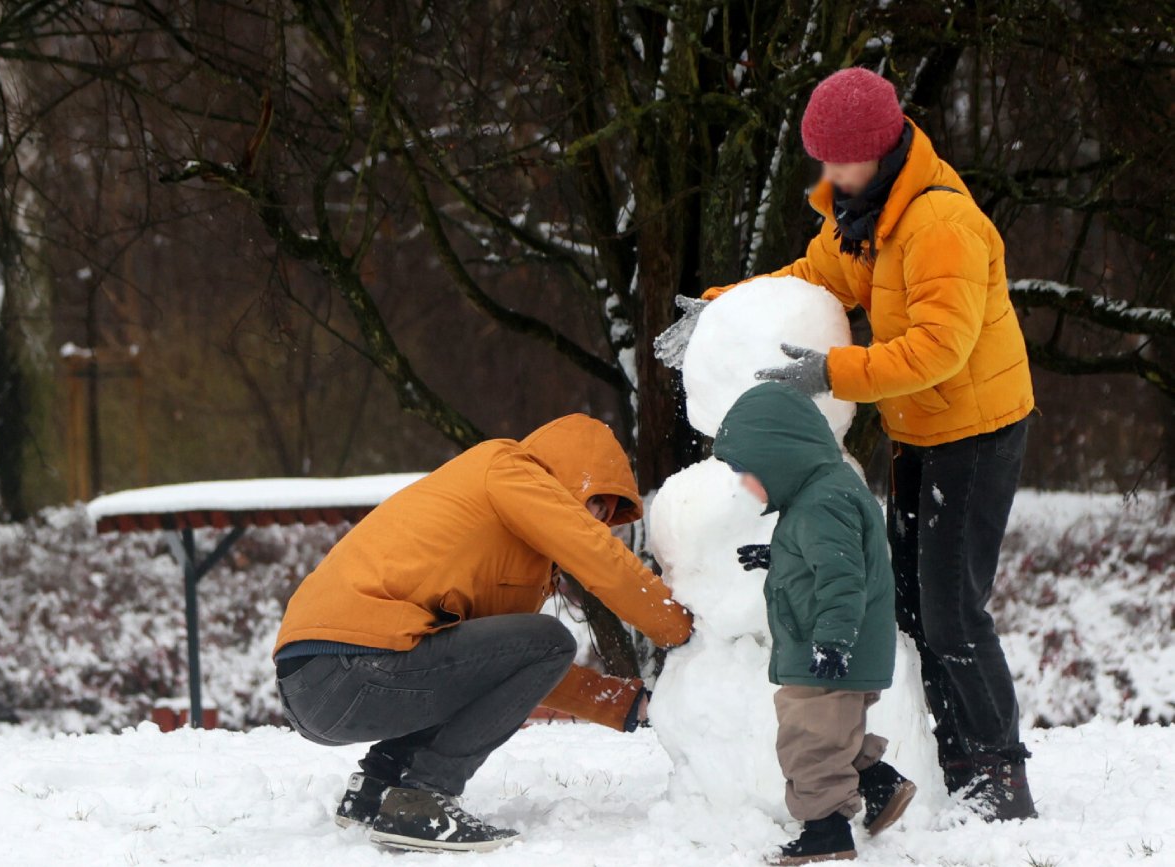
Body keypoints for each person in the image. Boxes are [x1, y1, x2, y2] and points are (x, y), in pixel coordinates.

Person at [704, 67, 1037, 820]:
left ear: (879, 149)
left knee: (954, 612)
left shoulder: (937, 224)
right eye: (819, 159)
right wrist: (722, 309)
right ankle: (951, 753)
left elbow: (939, 348)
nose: (828, 174)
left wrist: (831, 370)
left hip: (977, 433)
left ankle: (997, 773)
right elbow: (811, 280)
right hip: (919, 428)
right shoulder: (860, 212)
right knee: (915, 608)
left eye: (838, 159)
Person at [273, 414, 693, 853]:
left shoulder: (504, 547)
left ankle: (377, 788)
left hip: (316, 679)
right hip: (350, 666)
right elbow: (599, 560)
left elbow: (498, 672)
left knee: (522, 647)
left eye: (605, 516)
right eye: (594, 504)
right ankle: (425, 796)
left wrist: (626, 705)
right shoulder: (509, 469)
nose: (596, 522)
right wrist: (682, 628)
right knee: (552, 639)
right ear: (570, 474)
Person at [713, 382, 915, 865]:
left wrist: (832, 642)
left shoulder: (823, 501)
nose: (744, 483)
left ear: (780, 457)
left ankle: (826, 832)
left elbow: (843, 578)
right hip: (833, 646)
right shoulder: (822, 494)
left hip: (827, 649)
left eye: (747, 472)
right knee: (831, 734)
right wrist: (780, 555)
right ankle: (880, 784)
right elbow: (827, 560)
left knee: (808, 740)